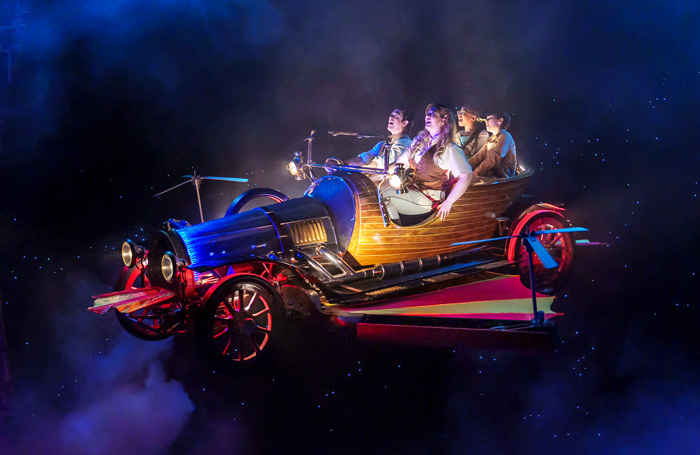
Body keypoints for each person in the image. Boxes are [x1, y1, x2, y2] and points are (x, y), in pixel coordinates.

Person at [385, 103, 472, 222]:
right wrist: (378, 172)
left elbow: (466, 176)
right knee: (375, 191)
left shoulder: (450, 147)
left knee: (384, 197)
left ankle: (395, 233)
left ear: (443, 120)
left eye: (432, 114)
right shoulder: (419, 143)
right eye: (426, 115)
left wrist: (449, 202)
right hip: (411, 191)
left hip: (429, 199)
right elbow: (401, 163)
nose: (427, 117)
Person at [347, 107, 414, 170]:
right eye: (391, 115)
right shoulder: (383, 143)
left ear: (404, 123)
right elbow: (367, 156)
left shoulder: (405, 142)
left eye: (396, 116)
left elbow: (386, 159)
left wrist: (364, 169)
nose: (391, 117)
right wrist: (344, 164)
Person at [468, 111, 517, 178]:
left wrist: (477, 172)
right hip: (489, 175)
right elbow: (479, 156)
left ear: (500, 121)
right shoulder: (491, 139)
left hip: (502, 178)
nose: (486, 121)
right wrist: (465, 165)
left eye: (489, 119)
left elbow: (494, 157)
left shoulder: (506, 136)